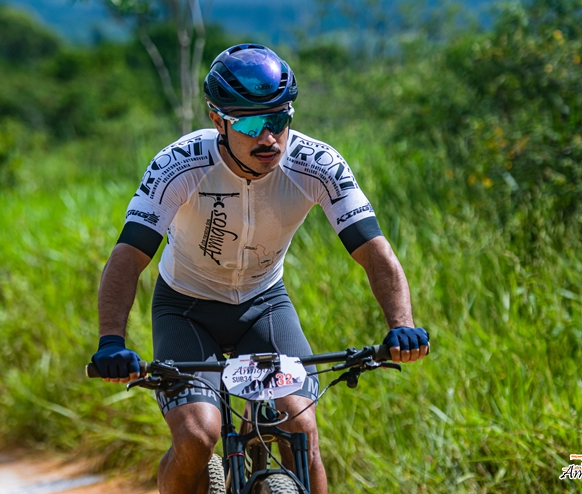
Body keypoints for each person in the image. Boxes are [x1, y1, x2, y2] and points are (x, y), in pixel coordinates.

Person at [91, 43, 429, 494]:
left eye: (278, 120)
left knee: (300, 426)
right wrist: (111, 342)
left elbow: (373, 249)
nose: (268, 138)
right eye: (250, 124)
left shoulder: (316, 164)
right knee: (197, 437)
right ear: (217, 121)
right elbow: (128, 257)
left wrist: (401, 324)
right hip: (185, 309)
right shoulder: (180, 163)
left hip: (264, 306)